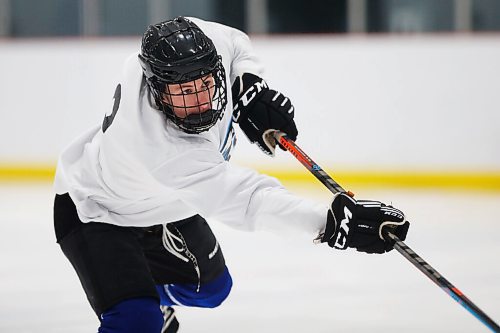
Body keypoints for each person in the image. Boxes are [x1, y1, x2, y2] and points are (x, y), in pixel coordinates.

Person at [53, 16, 410, 333]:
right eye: (183, 92)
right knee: (137, 320)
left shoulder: (200, 47)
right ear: (158, 91)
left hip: (164, 205)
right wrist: (330, 224)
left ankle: (145, 291)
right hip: (95, 210)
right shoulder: (158, 145)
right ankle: (139, 300)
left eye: (205, 86)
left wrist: (250, 86)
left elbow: (235, 42)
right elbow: (249, 201)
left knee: (212, 291)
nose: (199, 103)